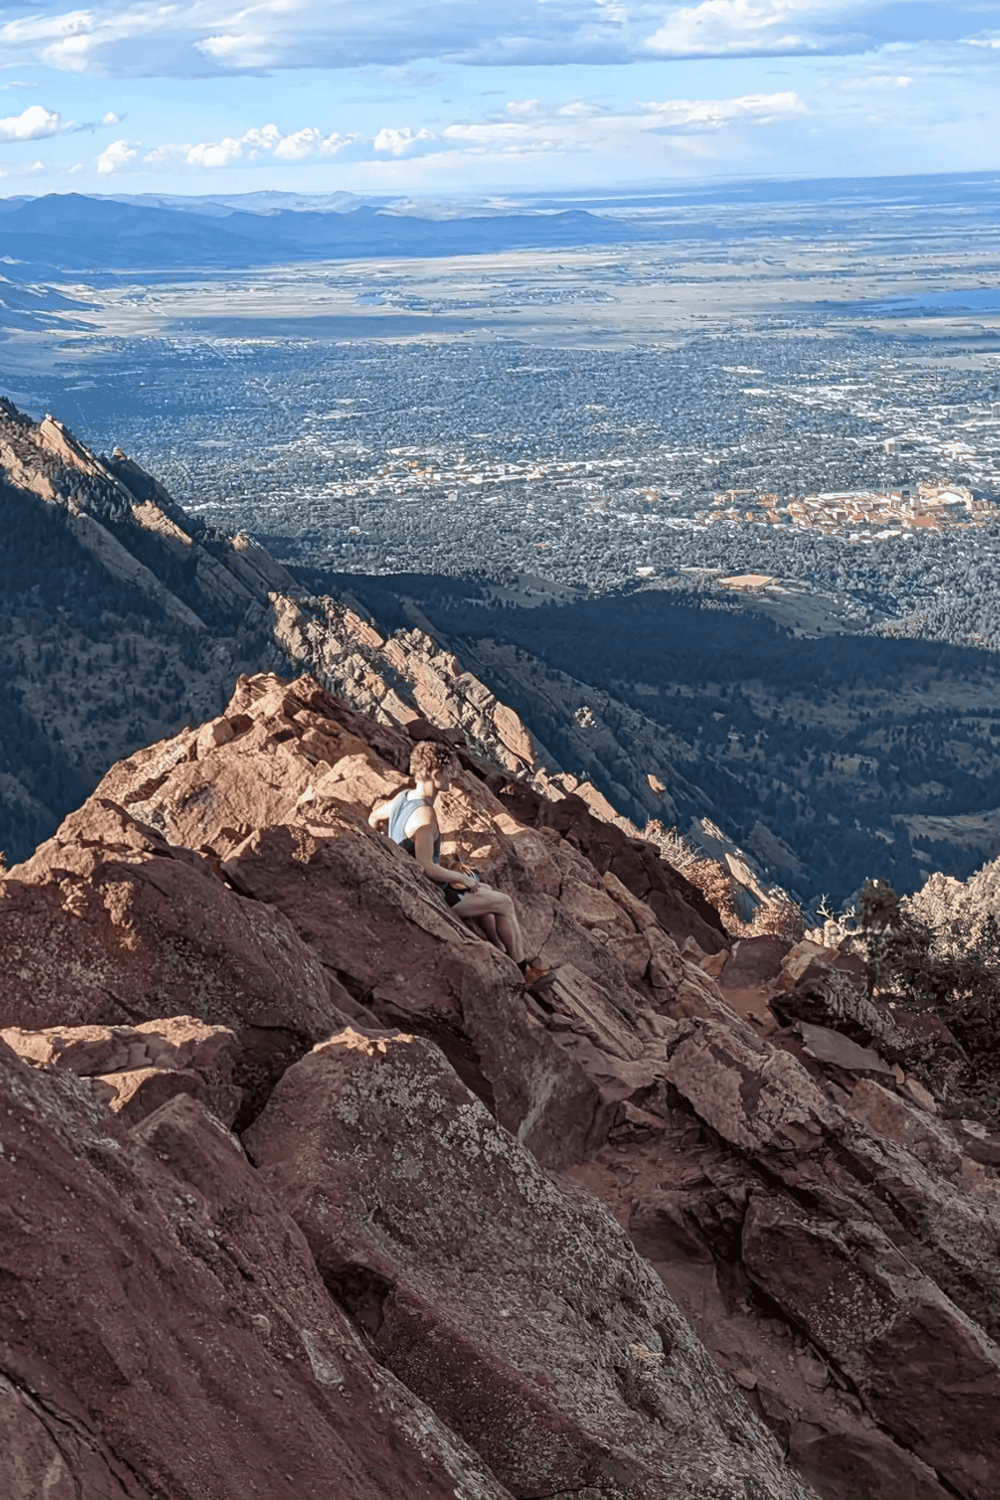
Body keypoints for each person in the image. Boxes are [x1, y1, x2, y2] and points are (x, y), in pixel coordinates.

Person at [369, 740, 555, 985]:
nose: (453, 776)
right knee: (504, 902)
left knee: (484, 890)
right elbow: (426, 866)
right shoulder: (424, 816)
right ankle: (523, 972)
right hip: (435, 894)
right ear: (435, 775)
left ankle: (500, 947)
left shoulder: (403, 797)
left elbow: (374, 817)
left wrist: (390, 845)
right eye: (448, 772)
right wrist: (460, 877)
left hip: (420, 882)